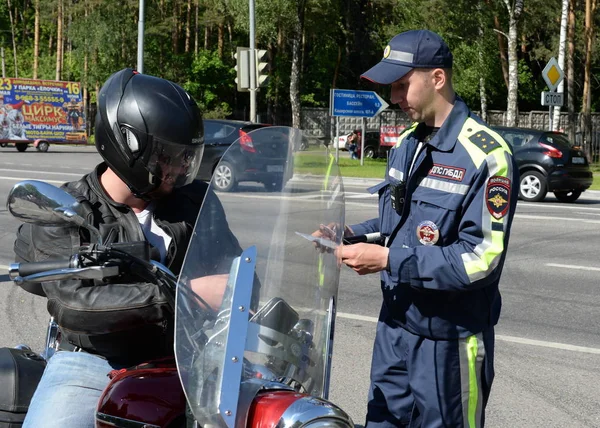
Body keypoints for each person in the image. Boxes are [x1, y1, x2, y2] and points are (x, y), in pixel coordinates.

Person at [13, 68, 241, 427]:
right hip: (95, 361)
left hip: (192, 358)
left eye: (186, 156)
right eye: (170, 156)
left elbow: (235, 272)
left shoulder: (195, 200)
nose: (182, 167)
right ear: (129, 147)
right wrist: (182, 293)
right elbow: (73, 305)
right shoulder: (65, 208)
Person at [340, 30, 519, 427]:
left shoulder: (486, 156)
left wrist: (389, 259)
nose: (395, 98)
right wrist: (348, 232)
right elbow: (395, 224)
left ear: (437, 78)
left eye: (403, 85)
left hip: (449, 342)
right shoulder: (407, 143)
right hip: (395, 328)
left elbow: (480, 258)